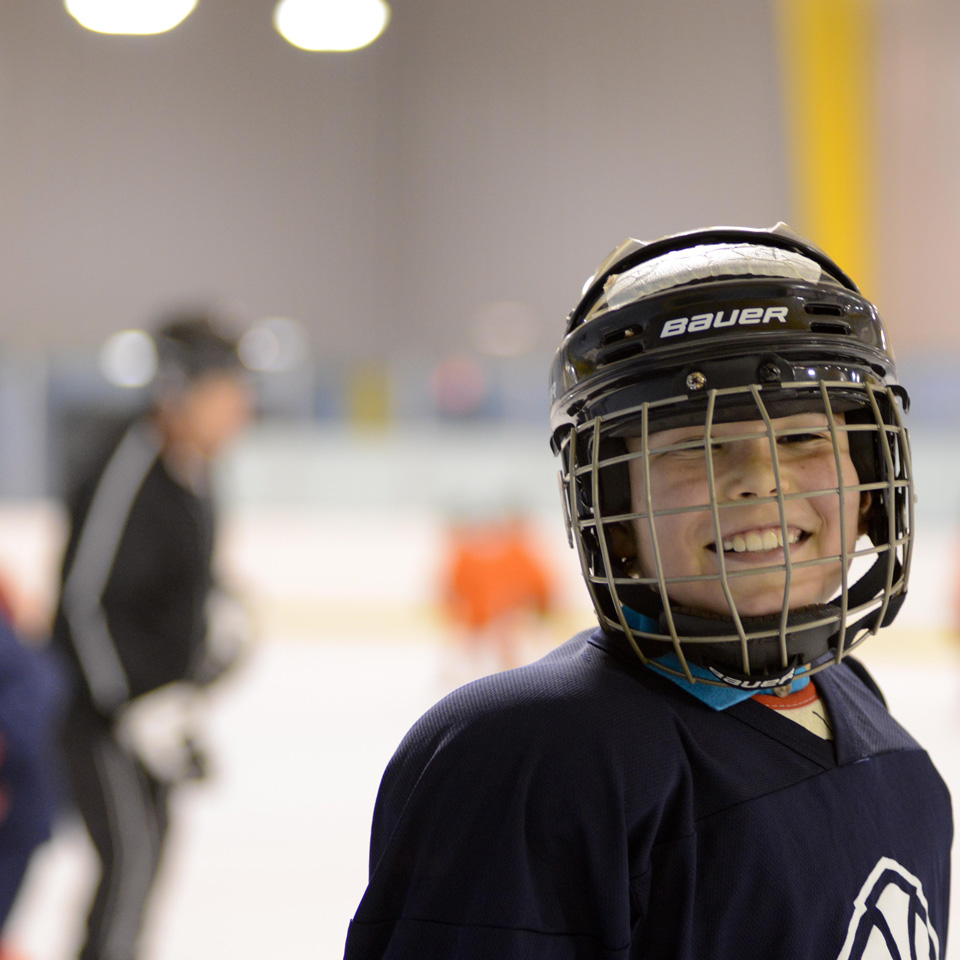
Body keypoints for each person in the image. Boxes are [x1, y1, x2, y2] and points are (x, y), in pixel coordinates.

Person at [343, 225, 952, 959]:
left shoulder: (858, 705)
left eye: (801, 438)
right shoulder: (534, 755)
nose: (758, 477)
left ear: (869, 485)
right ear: (612, 508)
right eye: (696, 447)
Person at [52, 314, 254, 960]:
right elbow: (83, 602)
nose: (242, 409)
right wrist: (129, 705)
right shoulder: (127, 465)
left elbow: (181, 583)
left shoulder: (196, 473)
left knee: (147, 869)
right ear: (181, 389)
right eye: (229, 390)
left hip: (158, 713)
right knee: (129, 863)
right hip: (102, 715)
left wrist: (219, 622)